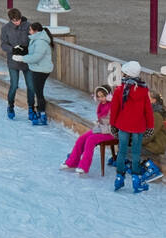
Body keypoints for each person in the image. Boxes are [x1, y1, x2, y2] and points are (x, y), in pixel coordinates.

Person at [112, 61, 155, 192]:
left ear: (127, 73)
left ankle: (119, 177)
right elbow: (148, 110)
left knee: (122, 151)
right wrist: (150, 125)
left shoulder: (120, 89)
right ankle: (136, 179)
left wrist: (113, 124)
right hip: (138, 125)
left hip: (123, 124)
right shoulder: (143, 90)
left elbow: (115, 108)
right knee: (136, 152)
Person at [62, 85, 116, 174]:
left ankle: (84, 166)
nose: (100, 99)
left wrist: (101, 125)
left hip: (111, 132)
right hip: (101, 129)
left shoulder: (113, 105)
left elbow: (113, 123)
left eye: (103, 96)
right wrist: (99, 123)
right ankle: (72, 162)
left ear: (109, 95)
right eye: (98, 97)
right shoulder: (102, 105)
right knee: (81, 139)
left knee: (91, 140)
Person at [15, 21, 53, 126]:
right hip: (37, 69)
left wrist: (22, 58)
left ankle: (42, 115)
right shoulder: (36, 40)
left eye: (30, 29)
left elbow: (36, 57)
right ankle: (40, 112)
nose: (29, 31)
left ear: (36, 31)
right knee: (37, 91)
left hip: (41, 70)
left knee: (39, 93)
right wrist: (21, 50)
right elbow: (33, 52)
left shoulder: (40, 42)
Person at [1, 8, 34, 120]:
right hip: (13, 61)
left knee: (31, 86)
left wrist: (27, 49)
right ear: (10, 20)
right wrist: (13, 49)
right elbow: (3, 44)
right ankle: (10, 106)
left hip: (26, 60)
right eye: (14, 21)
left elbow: (34, 40)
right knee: (14, 85)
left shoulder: (28, 26)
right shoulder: (6, 28)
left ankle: (31, 108)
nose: (17, 22)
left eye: (18, 20)